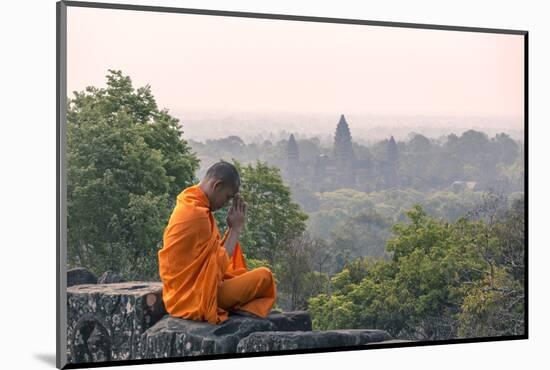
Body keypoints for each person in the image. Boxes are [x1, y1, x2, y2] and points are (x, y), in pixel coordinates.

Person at [158, 161, 276, 324]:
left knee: (245, 275)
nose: (226, 203)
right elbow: (216, 265)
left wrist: (230, 229)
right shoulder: (197, 215)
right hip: (196, 297)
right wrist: (235, 230)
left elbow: (209, 259)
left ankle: (235, 304)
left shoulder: (190, 201)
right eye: (227, 197)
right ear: (217, 185)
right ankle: (235, 306)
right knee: (265, 277)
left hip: (180, 294)